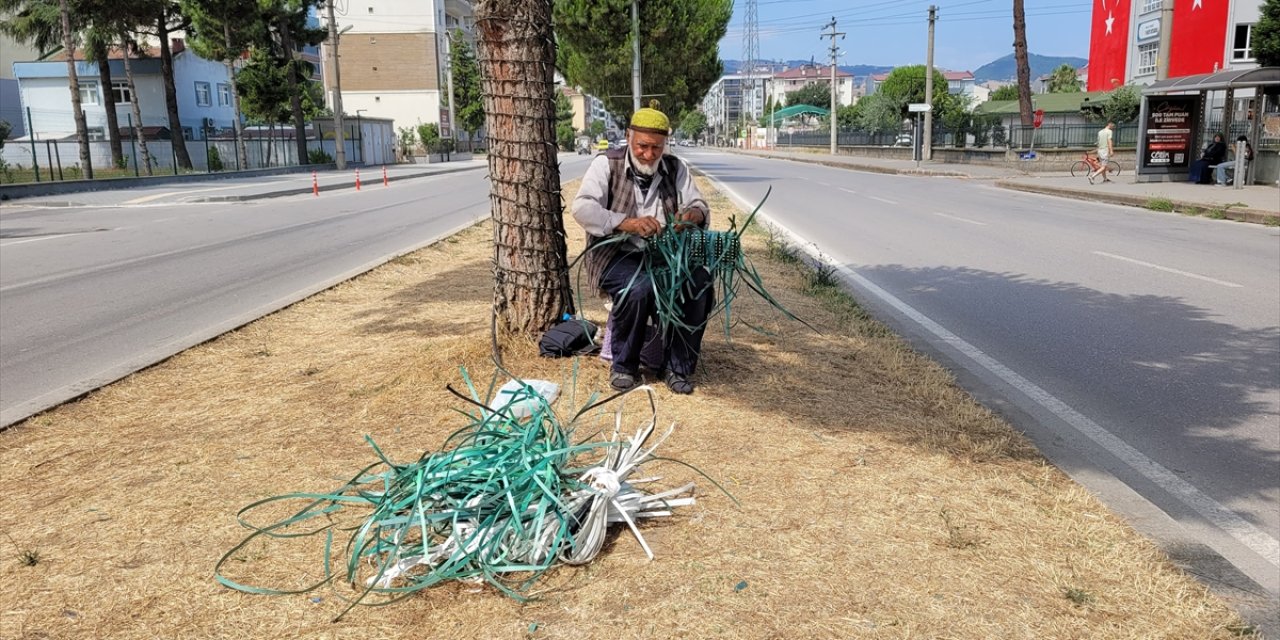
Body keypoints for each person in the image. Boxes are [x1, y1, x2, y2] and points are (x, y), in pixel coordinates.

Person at [571, 102, 712, 395]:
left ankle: (678, 367)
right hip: (615, 256)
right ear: (629, 137)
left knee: (700, 283)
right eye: (642, 146)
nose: (649, 154)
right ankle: (624, 366)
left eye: (656, 148)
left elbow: (699, 205)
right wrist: (627, 223)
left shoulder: (675, 168)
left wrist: (690, 217)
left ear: (665, 145)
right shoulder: (606, 164)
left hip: (665, 257)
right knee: (640, 287)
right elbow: (582, 208)